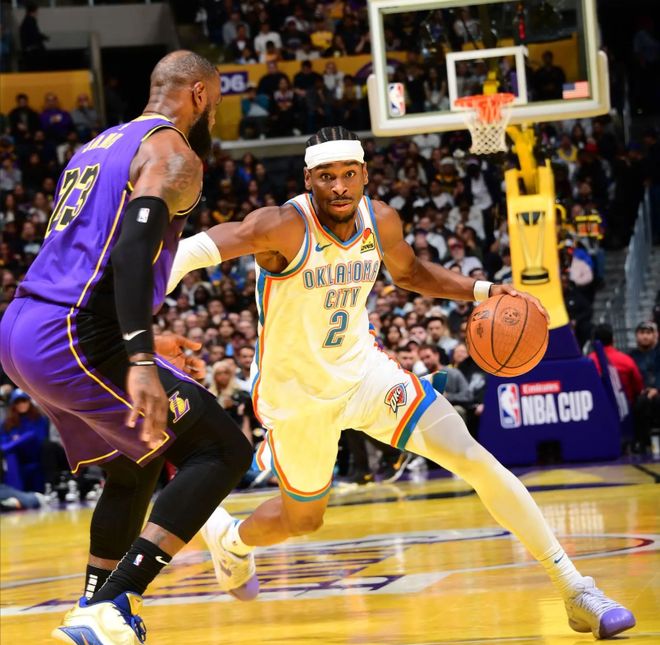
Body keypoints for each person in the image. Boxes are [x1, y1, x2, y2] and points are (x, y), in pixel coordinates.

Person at [168, 126, 635, 639]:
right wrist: (130, 323)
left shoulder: (380, 219)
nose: (340, 186)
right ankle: (232, 540)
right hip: (298, 395)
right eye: (327, 177)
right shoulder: (281, 226)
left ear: (365, 174)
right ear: (308, 179)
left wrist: (484, 290)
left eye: (349, 174)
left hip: (366, 374)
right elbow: (187, 253)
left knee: (474, 458)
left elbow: (410, 273)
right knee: (303, 520)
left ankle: (575, 589)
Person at [0, 51, 253, 644]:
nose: (215, 113)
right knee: (222, 449)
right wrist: (140, 355)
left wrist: (143, 338)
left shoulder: (95, 147)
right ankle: (117, 602)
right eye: (215, 101)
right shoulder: (174, 154)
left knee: (137, 458)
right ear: (198, 94)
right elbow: (133, 252)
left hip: (23, 327)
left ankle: (91, 609)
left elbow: (80, 257)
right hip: (71, 333)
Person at [629, 321, 660, 453]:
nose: (645, 336)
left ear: (655, 335)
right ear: (637, 335)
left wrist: (656, 388)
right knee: (641, 403)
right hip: (640, 394)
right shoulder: (631, 356)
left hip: (657, 392)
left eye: (648, 333)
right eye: (642, 333)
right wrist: (640, 389)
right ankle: (641, 442)